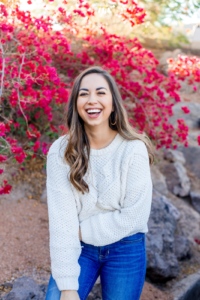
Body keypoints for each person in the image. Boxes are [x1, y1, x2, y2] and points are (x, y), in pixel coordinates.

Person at [45, 66, 155, 300]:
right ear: (75, 103)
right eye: (83, 93)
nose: (91, 100)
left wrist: (81, 230)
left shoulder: (133, 149)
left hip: (126, 246)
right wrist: (67, 288)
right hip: (79, 247)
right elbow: (62, 221)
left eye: (100, 92)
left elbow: (135, 216)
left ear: (113, 103)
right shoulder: (60, 152)